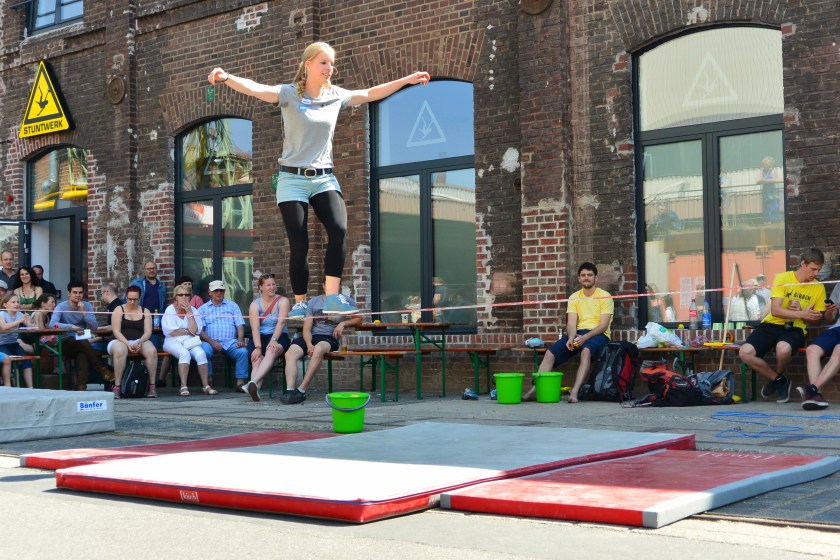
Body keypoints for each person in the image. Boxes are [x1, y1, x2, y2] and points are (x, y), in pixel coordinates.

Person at [208, 42, 429, 320]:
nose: (330, 68)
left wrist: (407, 80)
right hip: (292, 178)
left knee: (338, 230)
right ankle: (300, 301)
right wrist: (226, 78)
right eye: (324, 62)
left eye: (332, 63)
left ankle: (333, 296)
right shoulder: (288, 94)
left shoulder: (335, 95)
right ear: (308, 64)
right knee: (300, 245)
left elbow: (370, 93)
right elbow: (255, 88)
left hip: (324, 177)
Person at [739, 248, 827, 404]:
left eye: (818, 270)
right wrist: (801, 313)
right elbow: (776, 310)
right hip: (771, 324)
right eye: (813, 269)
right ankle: (779, 380)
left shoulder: (818, 287)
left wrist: (804, 314)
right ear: (803, 264)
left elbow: (817, 320)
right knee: (745, 352)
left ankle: (777, 378)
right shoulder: (783, 278)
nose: (816, 273)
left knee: (783, 349)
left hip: (797, 328)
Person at [523, 262, 614, 404]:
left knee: (586, 351)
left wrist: (585, 337)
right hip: (578, 333)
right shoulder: (574, 297)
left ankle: (575, 392)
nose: (586, 278)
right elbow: (571, 323)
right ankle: (534, 391)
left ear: (596, 278)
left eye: (590, 275)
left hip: (598, 335)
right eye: (583, 275)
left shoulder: (605, 296)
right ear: (579, 278)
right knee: (550, 353)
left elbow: (603, 325)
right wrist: (571, 337)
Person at [282, 283, 362, 404]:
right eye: (329, 285)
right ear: (324, 286)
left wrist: (343, 323)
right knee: (290, 353)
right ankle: (290, 391)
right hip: (312, 336)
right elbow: (307, 328)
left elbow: (359, 318)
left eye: (336, 284)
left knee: (319, 349)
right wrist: (309, 344)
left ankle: (301, 390)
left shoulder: (345, 301)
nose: (333, 287)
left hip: (329, 338)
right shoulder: (314, 302)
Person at [50, 280, 115, 391]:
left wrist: (84, 312)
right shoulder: (61, 307)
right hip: (65, 341)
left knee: (82, 353)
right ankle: (101, 369)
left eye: (80, 292)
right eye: (75, 292)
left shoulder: (87, 306)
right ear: (69, 293)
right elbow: (53, 325)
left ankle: (81, 386)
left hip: (82, 340)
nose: (78, 295)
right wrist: (71, 327)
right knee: (82, 344)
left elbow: (94, 327)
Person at [161, 283, 216, 396]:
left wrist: (189, 313)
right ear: (175, 297)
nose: (184, 297)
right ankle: (183, 386)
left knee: (201, 353)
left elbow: (196, 330)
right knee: (184, 353)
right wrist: (188, 331)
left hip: (190, 340)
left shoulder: (194, 311)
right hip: (172, 340)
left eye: (187, 294)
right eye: (181, 295)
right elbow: (171, 331)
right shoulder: (170, 310)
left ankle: (206, 386)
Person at [243, 274, 291, 401]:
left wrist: (274, 340)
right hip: (259, 337)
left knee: (271, 350)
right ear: (261, 288)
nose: (272, 287)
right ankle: (254, 388)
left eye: (274, 284)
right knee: (256, 358)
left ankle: (252, 383)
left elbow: (281, 323)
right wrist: (258, 347)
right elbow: (255, 328)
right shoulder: (255, 304)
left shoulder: (283, 301)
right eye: (268, 285)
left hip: (279, 335)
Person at [196, 280, 249, 390]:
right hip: (210, 341)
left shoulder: (232, 306)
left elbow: (240, 325)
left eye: (221, 290)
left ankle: (240, 383)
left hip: (230, 341)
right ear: (210, 292)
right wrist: (211, 342)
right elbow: (200, 331)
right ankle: (208, 381)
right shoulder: (203, 309)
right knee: (203, 352)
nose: (219, 293)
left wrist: (240, 339)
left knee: (242, 352)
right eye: (216, 291)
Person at [108, 286, 158, 399]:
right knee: (121, 350)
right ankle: (117, 386)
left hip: (139, 339)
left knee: (152, 351)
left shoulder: (145, 311)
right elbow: (116, 331)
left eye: (134, 299)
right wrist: (127, 343)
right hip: (119, 340)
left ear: (139, 298)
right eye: (129, 299)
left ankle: (152, 386)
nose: (131, 302)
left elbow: (148, 332)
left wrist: (140, 341)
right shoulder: (119, 309)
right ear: (126, 297)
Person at [129, 261, 170, 385]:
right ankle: (139, 379)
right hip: (138, 322)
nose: (151, 271)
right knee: (137, 350)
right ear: (145, 270)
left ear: (156, 270)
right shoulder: (137, 283)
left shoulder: (161, 286)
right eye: (148, 269)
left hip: (155, 324)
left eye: (153, 268)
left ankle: (149, 381)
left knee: (153, 349)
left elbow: (162, 304)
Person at [800, 282, 840, 410]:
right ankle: (816, 396)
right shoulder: (839, 285)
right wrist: (830, 311)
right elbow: (830, 319)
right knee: (812, 350)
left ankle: (812, 390)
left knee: (839, 350)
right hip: (836, 328)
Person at [0, 293, 35, 388]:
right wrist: (19, 321)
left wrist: (29, 321)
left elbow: (31, 327)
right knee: (10, 361)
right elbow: (3, 327)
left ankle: (30, 388)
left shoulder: (20, 314)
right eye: (13, 302)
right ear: (5, 305)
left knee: (26, 360)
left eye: (18, 302)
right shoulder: (2, 314)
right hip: (2, 345)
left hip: (14, 343)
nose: (16, 304)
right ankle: (14, 386)